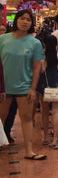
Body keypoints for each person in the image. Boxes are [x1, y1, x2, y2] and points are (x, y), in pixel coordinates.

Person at [0, 10, 45, 159]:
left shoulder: (35, 43)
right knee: (1, 118)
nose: (25, 22)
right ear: (16, 20)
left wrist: (33, 88)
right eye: (22, 18)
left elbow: (36, 67)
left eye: (28, 20)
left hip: (24, 87)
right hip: (4, 87)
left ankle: (28, 150)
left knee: (26, 118)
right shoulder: (3, 39)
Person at [37, 34, 58, 148]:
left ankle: (45, 137)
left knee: (44, 111)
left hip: (44, 85)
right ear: (56, 43)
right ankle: (55, 138)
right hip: (56, 85)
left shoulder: (41, 56)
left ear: (44, 44)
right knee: (56, 111)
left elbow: (39, 72)